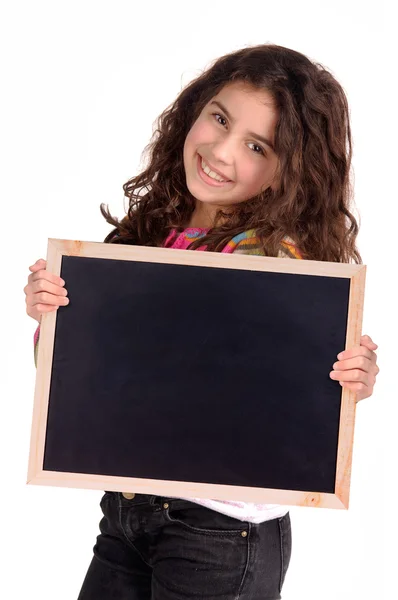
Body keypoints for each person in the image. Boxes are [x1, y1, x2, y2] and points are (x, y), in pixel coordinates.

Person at [24, 44, 380, 600]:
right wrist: (53, 318)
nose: (220, 150)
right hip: (128, 512)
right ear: (195, 107)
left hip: (220, 533)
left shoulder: (280, 261)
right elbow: (87, 382)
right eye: (219, 118)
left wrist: (352, 381)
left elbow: (294, 398)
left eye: (257, 146)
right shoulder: (151, 231)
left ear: (291, 170)